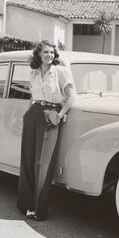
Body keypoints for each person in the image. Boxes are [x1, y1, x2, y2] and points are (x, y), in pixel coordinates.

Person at [17, 40, 75, 221]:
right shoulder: (33, 73)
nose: (49, 55)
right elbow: (33, 97)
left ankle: (38, 209)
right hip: (33, 113)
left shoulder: (60, 72)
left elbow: (71, 96)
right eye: (45, 53)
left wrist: (60, 114)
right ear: (39, 55)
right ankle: (25, 205)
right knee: (27, 159)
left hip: (51, 113)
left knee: (42, 163)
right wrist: (28, 113)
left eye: (52, 52)